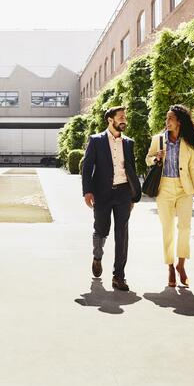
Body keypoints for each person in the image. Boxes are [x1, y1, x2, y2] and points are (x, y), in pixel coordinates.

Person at [81, 106, 142, 291]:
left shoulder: (128, 143)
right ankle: (97, 256)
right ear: (110, 120)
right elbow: (87, 167)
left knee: (122, 234)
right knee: (101, 229)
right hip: (102, 192)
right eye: (121, 117)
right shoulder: (96, 140)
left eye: (125, 117)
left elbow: (131, 168)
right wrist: (87, 191)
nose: (124, 120)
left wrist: (133, 195)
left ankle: (119, 276)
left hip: (123, 193)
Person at [145, 104, 194, 287]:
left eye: (170, 118)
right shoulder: (158, 139)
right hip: (164, 189)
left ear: (179, 121)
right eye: (166, 118)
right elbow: (148, 159)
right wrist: (156, 158)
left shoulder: (188, 142)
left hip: (184, 189)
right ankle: (170, 266)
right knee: (167, 229)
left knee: (185, 228)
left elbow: (193, 168)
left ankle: (181, 265)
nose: (167, 121)